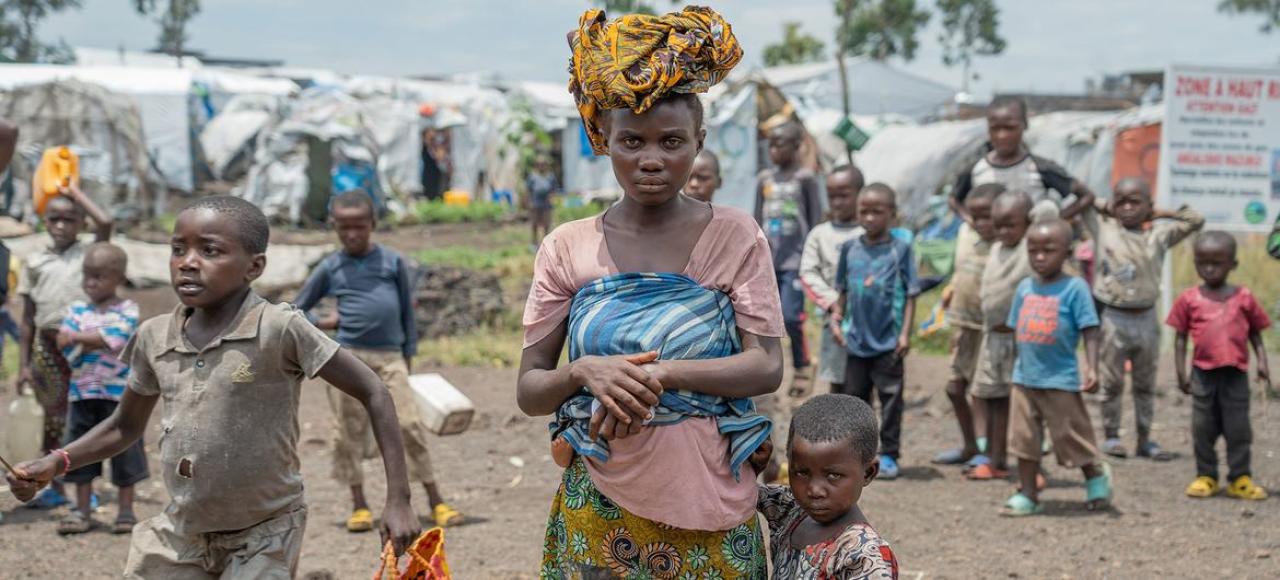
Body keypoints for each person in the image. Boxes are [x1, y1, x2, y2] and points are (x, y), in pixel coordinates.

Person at [6, 196, 421, 577]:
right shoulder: (154, 336)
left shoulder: (278, 328)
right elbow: (123, 427)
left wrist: (398, 500)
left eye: (210, 250)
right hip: (182, 530)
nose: (187, 262)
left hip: (264, 532)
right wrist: (55, 462)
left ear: (253, 267)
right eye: (177, 249)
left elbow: (374, 391)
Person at [521, 8, 780, 577]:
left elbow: (765, 366)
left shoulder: (735, 235)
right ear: (603, 140)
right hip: (599, 501)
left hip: (709, 491)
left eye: (672, 141)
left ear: (700, 141)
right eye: (632, 141)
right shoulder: (566, 247)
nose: (652, 160)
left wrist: (660, 376)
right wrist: (585, 371)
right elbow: (531, 388)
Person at [293, 191, 462, 532]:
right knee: (348, 431)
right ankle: (359, 504)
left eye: (359, 226)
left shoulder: (392, 262)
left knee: (408, 425)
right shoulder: (330, 267)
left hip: (390, 357)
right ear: (334, 226)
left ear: (372, 224)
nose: (352, 234)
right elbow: (297, 311)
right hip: (347, 359)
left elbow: (405, 314)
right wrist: (327, 323)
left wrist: (408, 359)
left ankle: (435, 500)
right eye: (344, 228)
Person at [1083, 177, 1204, 460]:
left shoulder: (1158, 236)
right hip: (1113, 317)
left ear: (1148, 206)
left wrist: (1161, 213)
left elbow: (1195, 220)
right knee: (1111, 381)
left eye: (1135, 202)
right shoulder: (1103, 230)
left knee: (1145, 382)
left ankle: (1145, 438)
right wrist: (1108, 207)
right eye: (1120, 201)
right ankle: (1112, 436)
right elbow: (1084, 201)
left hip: (1146, 317)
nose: (1127, 208)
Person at [1001, 220, 1111, 516]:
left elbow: (1090, 329)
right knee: (1024, 441)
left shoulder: (1075, 288)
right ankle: (1029, 493)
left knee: (1070, 436)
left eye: (1048, 250)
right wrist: (1011, 368)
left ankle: (1096, 476)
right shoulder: (1025, 287)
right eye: (1033, 250)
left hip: (1060, 379)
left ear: (1067, 252)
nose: (1040, 257)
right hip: (1024, 378)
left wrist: (1092, 367)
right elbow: (1016, 331)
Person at [16, 186, 113, 509]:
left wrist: (74, 191)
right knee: (52, 419)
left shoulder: (89, 255)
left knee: (83, 418)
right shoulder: (35, 260)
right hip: (47, 348)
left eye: (69, 219)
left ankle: (84, 489)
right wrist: (24, 365)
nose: (60, 225)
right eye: (54, 219)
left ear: (81, 224)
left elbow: (106, 223)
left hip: (84, 349)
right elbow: (28, 318)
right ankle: (54, 486)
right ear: (44, 222)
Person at [1168, 232, 1271, 500]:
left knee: (1238, 428)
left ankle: (1240, 477)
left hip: (1235, 373)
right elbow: (1180, 338)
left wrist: (1262, 363)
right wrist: (1180, 372)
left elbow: (1255, 333)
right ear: (1195, 263)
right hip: (1203, 373)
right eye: (1203, 263)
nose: (1210, 269)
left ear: (1233, 264)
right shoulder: (1189, 299)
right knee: (1203, 427)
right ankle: (1206, 475)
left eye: (1217, 262)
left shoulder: (1243, 297)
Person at [52, 242, 145, 535]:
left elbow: (115, 338)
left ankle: (126, 511)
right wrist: (83, 338)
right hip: (82, 394)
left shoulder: (127, 309)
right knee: (77, 452)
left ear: (119, 278)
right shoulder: (77, 308)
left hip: (117, 396)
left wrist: (78, 337)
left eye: (99, 276)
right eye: (87, 276)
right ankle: (82, 511)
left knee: (125, 452)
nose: (90, 283)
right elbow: (61, 340)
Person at [829, 183, 919, 481]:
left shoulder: (900, 250)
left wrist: (905, 334)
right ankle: (860, 454)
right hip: (856, 339)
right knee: (856, 399)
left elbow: (910, 295)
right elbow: (841, 291)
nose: (869, 218)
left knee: (891, 399)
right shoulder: (850, 249)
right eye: (863, 212)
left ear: (892, 215)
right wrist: (837, 319)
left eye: (877, 212)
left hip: (889, 341)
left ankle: (890, 453)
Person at [757, 394, 899, 579]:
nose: (814, 490)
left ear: (868, 472)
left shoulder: (865, 556)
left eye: (833, 476)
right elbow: (742, 495)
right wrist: (754, 467)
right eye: (801, 472)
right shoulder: (790, 509)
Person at [966, 190, 1052, 481]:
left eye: (1010, 225)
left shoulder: (1029, 247)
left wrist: (1032, 217)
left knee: (1028, 406)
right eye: (998, 224)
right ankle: (995, 459)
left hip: (1022, 342)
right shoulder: (995, 249)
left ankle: (1033, 465)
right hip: (993, 340)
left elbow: (1049, 210)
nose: (1002, 231)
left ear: (1028, 223)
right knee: (994, 401)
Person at [932, 182, 1003, 467]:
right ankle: (971, 446)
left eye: (989, 216)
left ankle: (991, 451)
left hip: (992, 330)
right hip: (965, 324)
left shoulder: (1005, 246)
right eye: (976, 216)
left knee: (986, 392)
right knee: (954, 388)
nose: (982, 223)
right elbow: (963, 271)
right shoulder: (967, 236)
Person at [756, 120, 824, 397]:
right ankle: (771, 370)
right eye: (770, 144)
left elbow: (816, 218)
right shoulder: (765, 180)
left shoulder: (805, 179)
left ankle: (803, 366)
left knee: (792, 318)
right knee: (768, 320)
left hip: (796, 261)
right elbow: (757, 220)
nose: (773, 150)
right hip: (770, 261)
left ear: (796, 147)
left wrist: (814, 258)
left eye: (779, 144)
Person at [950, 96, 1096, 223]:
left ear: (1024, 125)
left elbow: (1086, 196)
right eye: (995, 128)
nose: (1002, 135)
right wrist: (971, 221)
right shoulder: (976, 169)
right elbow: (954, 200)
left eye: (1010, 128)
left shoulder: (1039, 167)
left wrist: (1053, 222)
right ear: (988, 129)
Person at [799, 165, 865, 394]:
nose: (837, 202)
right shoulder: (820, 235)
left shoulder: (870, 233)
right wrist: (833, 301)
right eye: (832, 196)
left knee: (865, 382)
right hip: (836, 320)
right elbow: (808, 273)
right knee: (837, 380)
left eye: (844, 195)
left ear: (860, 194)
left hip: (870, 322)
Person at [526, 157, 560, 246]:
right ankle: (534, 243)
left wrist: (552, 199)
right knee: (534, 223)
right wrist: (529, 203)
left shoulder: (550, 177)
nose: (541, 166)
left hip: (546, 204)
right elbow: (528, 191)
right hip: (536, 203)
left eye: (543, 165)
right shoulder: (532, 177)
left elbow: (554, 190)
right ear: (536, 166)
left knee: (546, 224)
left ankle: (546, 242)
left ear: (546, 166)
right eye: (539, 165)